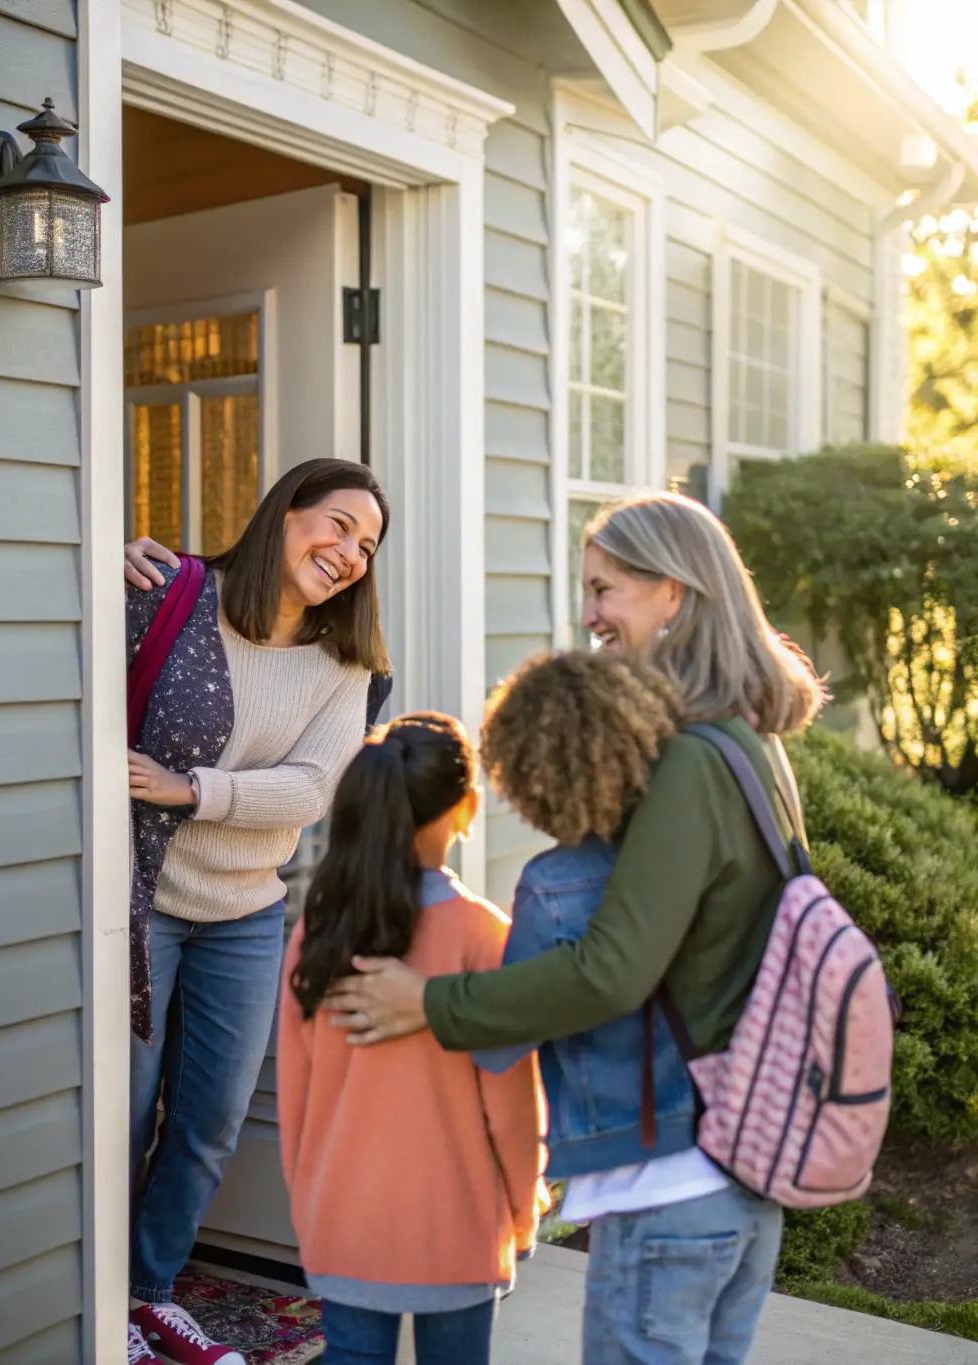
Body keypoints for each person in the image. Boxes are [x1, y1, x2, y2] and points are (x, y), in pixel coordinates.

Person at [324, 490, 824, 1365]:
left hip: (677, 1181)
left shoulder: (696, 755)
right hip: (738, 1175)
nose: (588, 613)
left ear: (674, 591)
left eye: (606, 589)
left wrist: (430, 1003)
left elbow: (611, 971)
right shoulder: (750, 739)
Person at [125, 458, 390, 1365]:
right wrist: (100, 564)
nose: (350, 551)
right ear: (286, 514)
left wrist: (189, 788)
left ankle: (152, 1291)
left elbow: (312, 787)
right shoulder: (172, 595)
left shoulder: (342, 665)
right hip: (142, 900)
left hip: (244, 913)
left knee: (208, 1119)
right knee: (122, 1112)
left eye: (367, 544)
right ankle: (101, 1295)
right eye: (338, 525)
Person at [277, 714, 547, 1365]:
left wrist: (311, 1199)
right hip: (455, 1231)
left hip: (344, 1222)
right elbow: (512, 1105)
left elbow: (296, 1093)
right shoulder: (486, 937)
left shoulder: (321, 931)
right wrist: (522, 1208)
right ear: (468, 808)